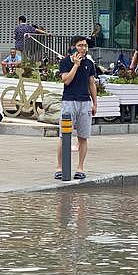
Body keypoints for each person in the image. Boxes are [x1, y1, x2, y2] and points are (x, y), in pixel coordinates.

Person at [54, 36, 97, 181]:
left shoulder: (90, 63)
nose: (83, 48)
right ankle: (60, 167)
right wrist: (76, 65)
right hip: (69, 101)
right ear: (73, 47)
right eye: (80, 45)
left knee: (83, 136)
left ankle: (80, 168)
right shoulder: (65, 62)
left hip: (84, 102)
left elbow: (91, 83)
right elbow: (66, 80)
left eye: (85, 46)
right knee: (63, 136)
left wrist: (94, 103)